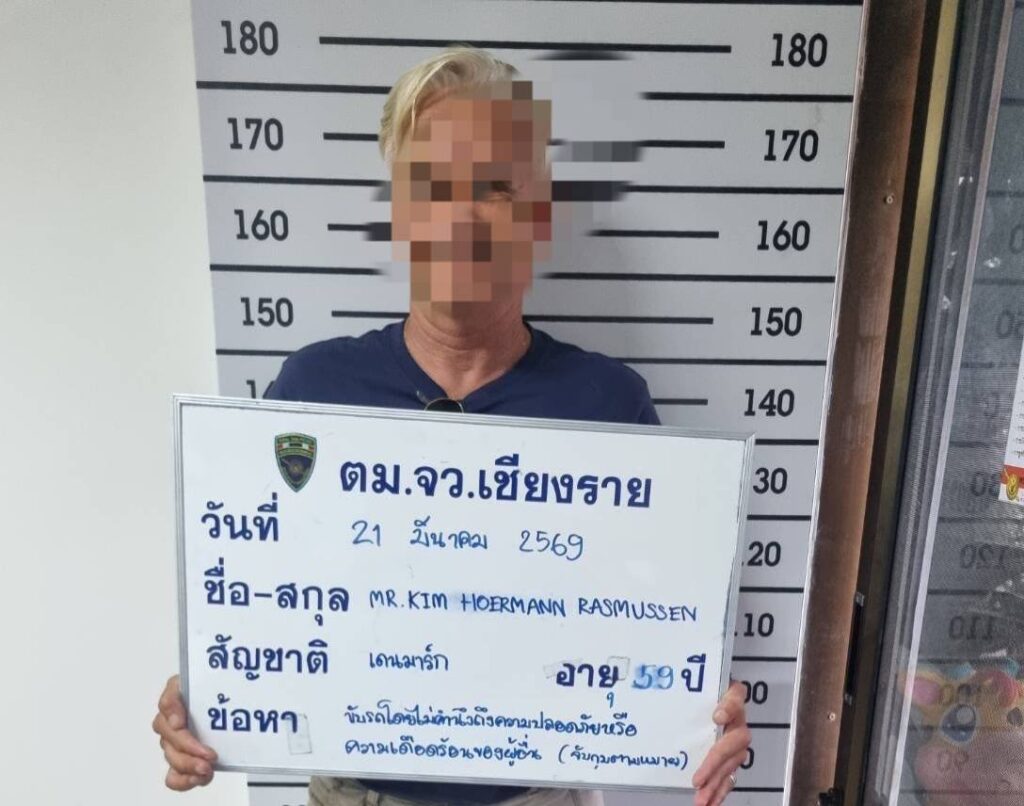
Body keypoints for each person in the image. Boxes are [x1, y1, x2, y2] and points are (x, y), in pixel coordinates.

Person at [153, 46, 751, 806]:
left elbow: (660, 625)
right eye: (431, 186)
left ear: (538, 217)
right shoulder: (312, 392)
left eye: (494, 187)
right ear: (398, 213)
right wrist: (208, 697)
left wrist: (701, 717)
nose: (460, 216)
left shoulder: (610, 405)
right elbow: (262, 595)